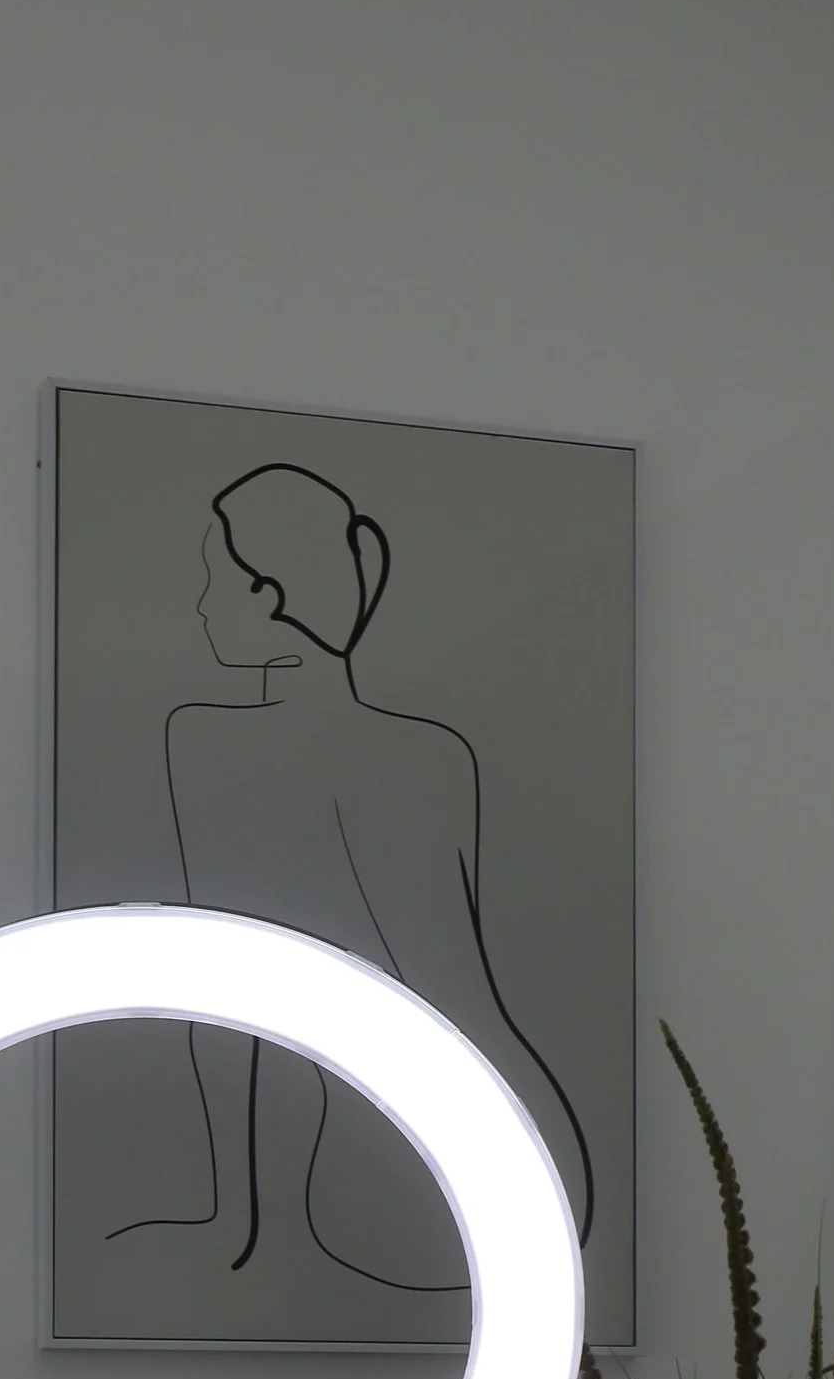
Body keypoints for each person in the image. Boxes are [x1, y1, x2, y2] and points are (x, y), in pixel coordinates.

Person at [110, 462, 593, 1305]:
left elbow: (225, 1007)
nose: (199, 604)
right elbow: (444, 979)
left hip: (389, 1194)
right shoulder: (437, 754)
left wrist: (233, 1218)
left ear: (268, 594)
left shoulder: (206, 745)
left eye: (212, 579)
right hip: (537, 1178)